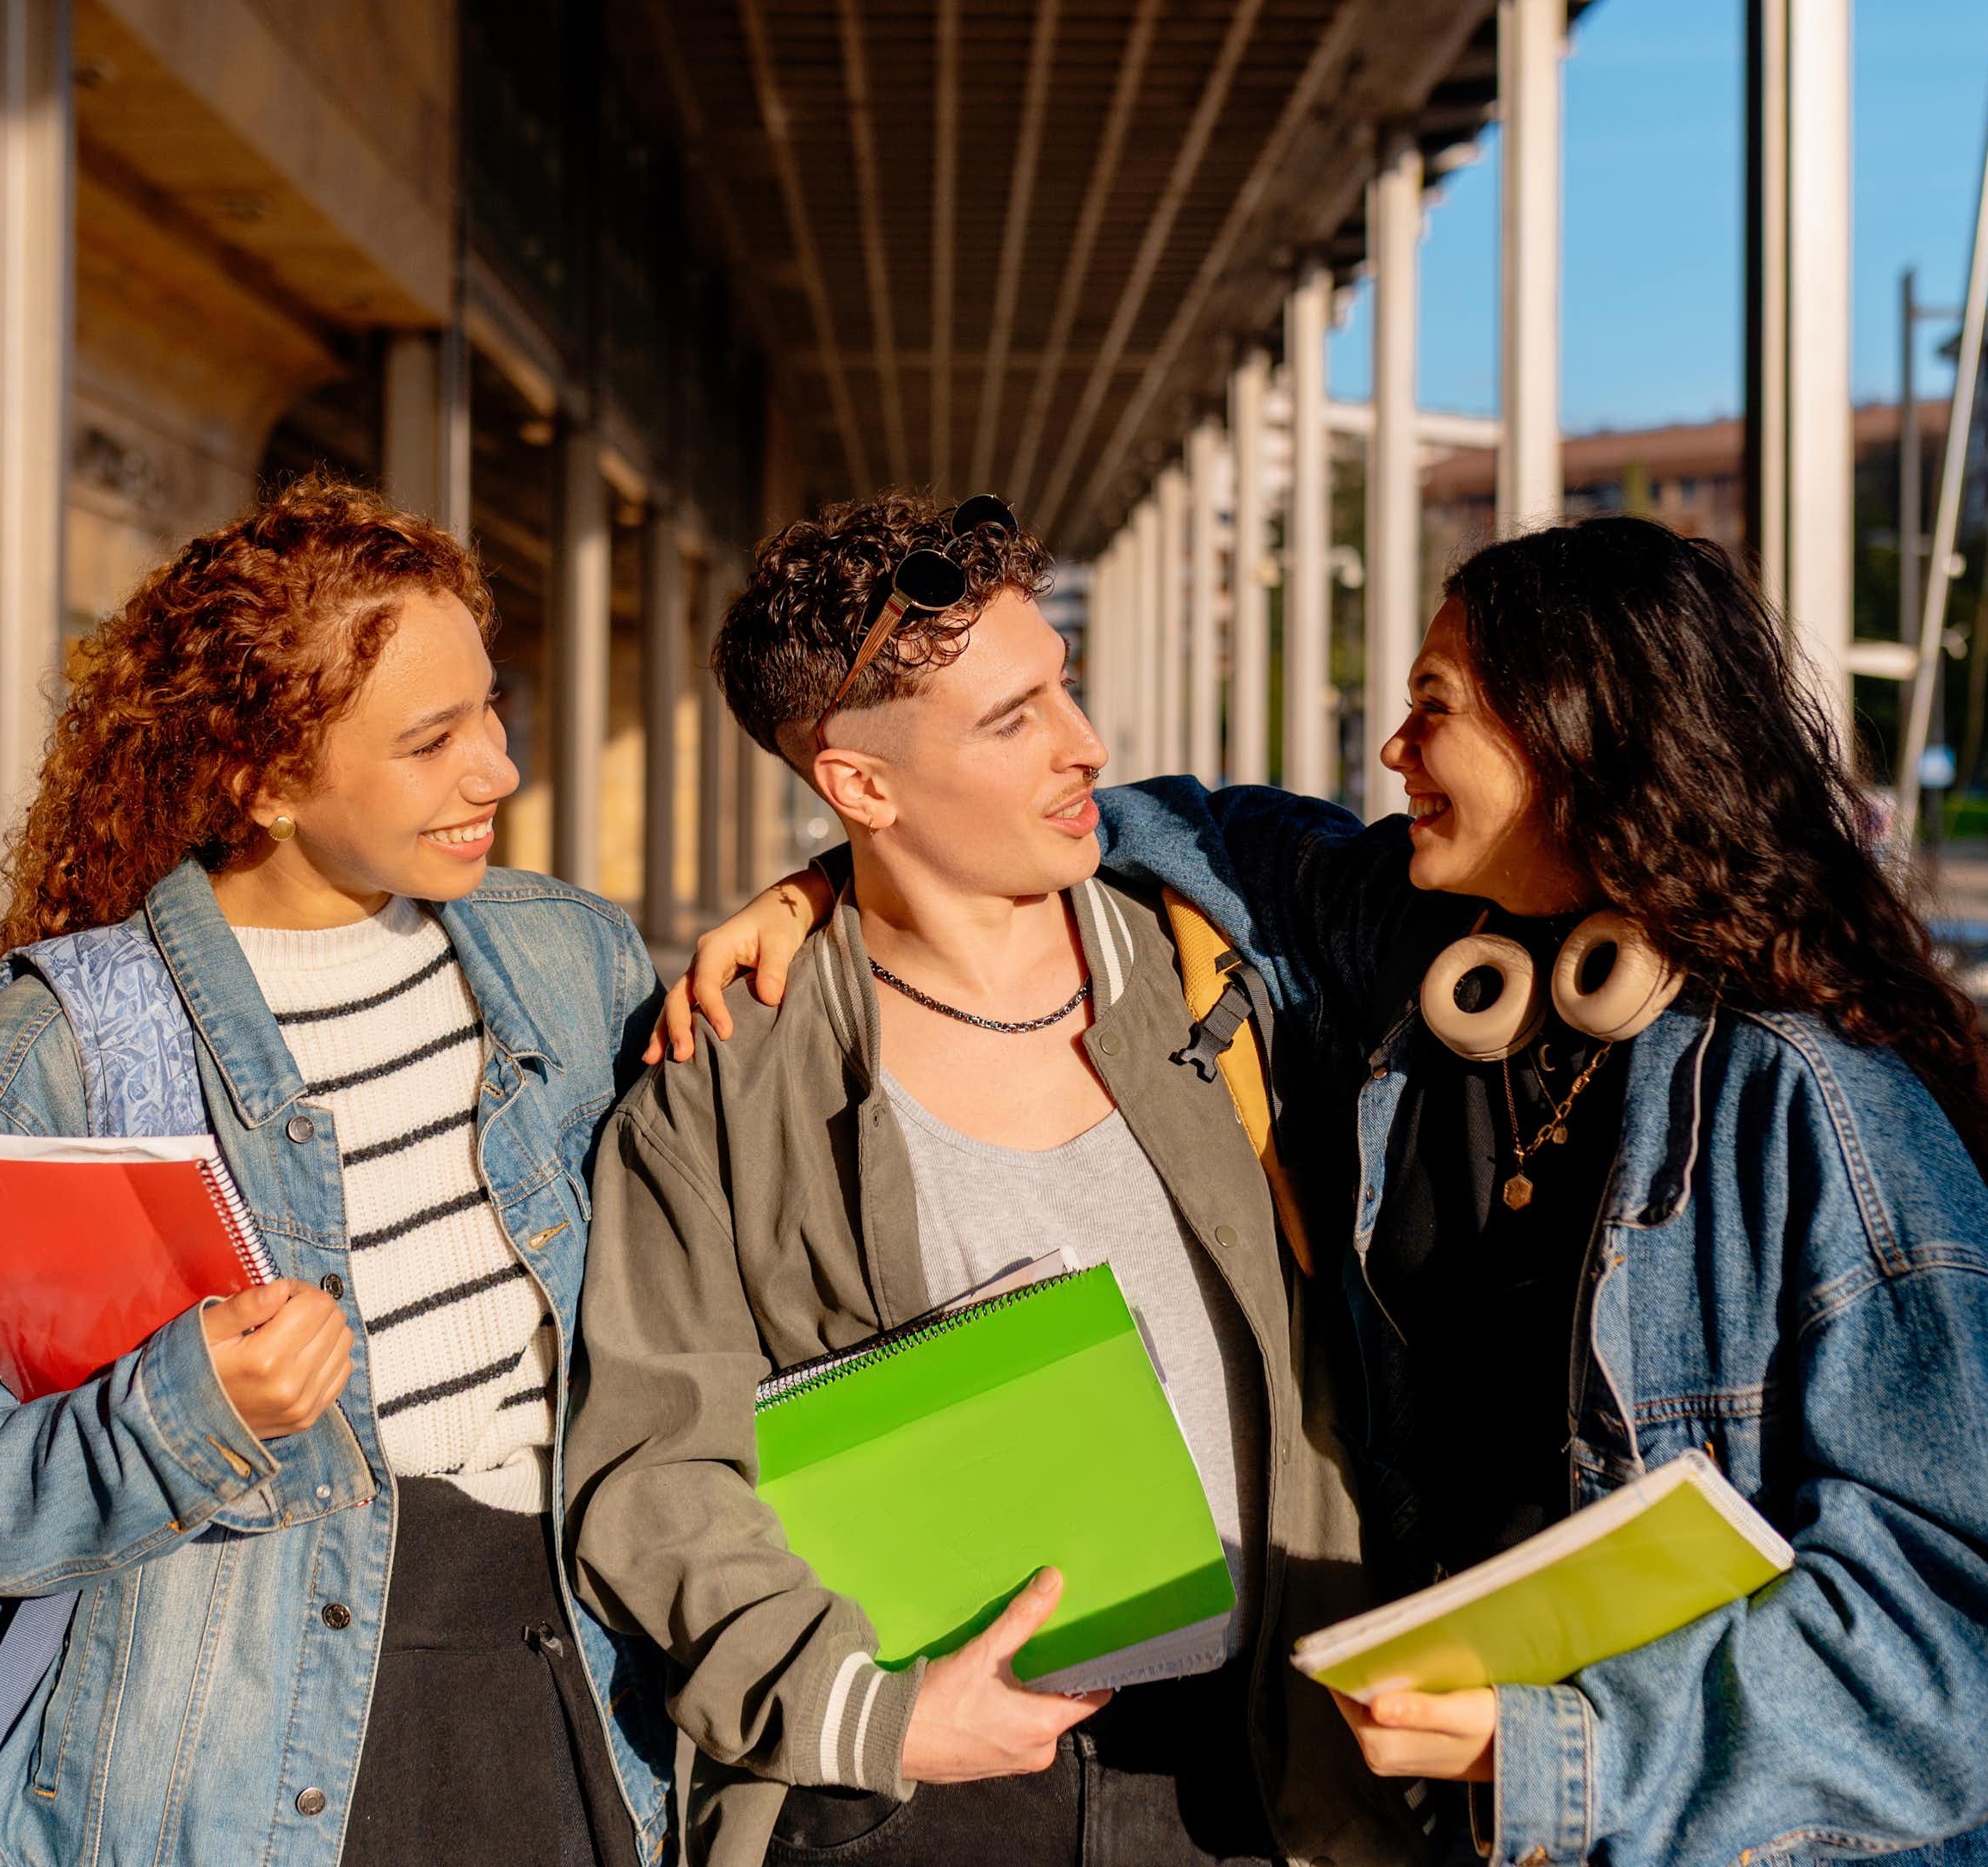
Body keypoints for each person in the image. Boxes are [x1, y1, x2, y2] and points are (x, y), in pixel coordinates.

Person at [667, 517, 1988, 1867]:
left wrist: (1563, 1752)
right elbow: (1159, 828)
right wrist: (839, 874)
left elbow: (1986, 1635)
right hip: (1454, 1816)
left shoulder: (1813, 1106)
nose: (1394, 747)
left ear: (1577, 737)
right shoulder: (1436, 975)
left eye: (1436, 708)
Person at [563, 494, 1418, 1867]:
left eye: (1060, 691)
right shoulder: (725, 1077)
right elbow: (655, 1472)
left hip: (1259, 1776)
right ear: (862, 787)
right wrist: (872, 1714)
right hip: (918, 1796)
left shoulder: (1235, 975)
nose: (1084, 749)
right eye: (1011, 720)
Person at [0, 478, 674, 1867]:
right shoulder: (68, 1050)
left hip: (577, 1704)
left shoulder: (573, 958)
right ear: (263, 782)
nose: (495, 768)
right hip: (246, 1770)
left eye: (492, 710)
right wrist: (182, 1406)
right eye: (431, 741)